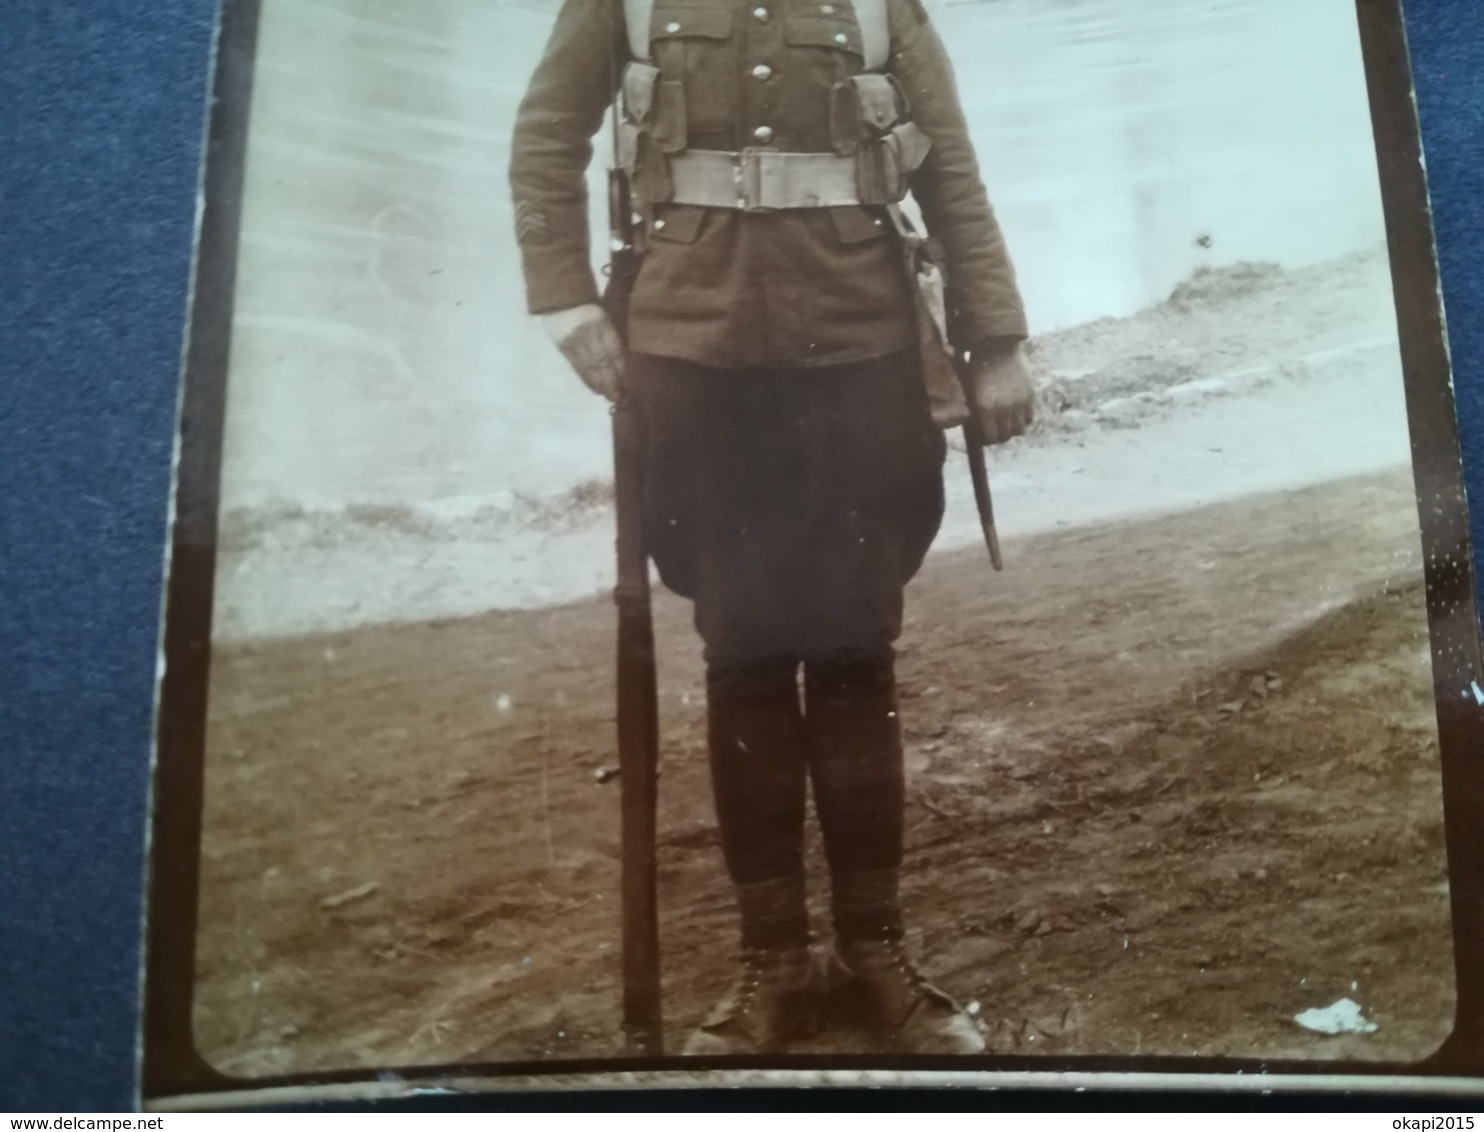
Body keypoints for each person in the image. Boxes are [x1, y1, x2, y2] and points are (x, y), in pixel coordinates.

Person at [510, 0, 1033, 1055]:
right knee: (743, 655)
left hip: (861, 352)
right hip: (690, 361)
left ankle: (875, 955)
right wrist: (562, 299)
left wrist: (995, 338)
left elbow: (950, 167)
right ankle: (773, 966)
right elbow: (544, 136)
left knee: (851, 651)